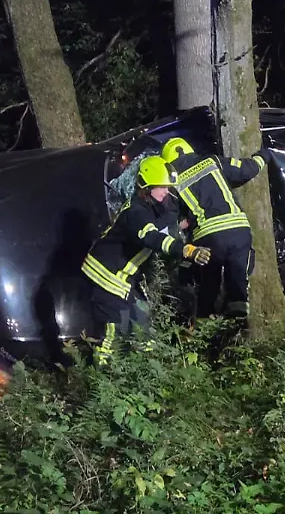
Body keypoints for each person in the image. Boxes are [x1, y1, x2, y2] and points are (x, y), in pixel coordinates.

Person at [80, 155, 211, 365]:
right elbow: (152, 237)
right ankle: (100, 380)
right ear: (146, 187)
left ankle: (145, 373)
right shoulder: (136, 212)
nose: (166, 191)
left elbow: (165, 227)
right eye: (161, 187)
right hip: (105, 276)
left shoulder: (151, 207)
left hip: (122, 279)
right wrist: (186, 250)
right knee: (112, 333)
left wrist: (182, 226)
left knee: (143, 326)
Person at [159, 136, 269, 318]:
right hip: (237, 231)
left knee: (209, 284)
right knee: (238, 278)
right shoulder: (212, 161)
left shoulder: (172, 183)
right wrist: (263, 156)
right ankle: (239, 323)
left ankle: (205, 327)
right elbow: (245, 170)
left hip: (208, 238)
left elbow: (170, 219)